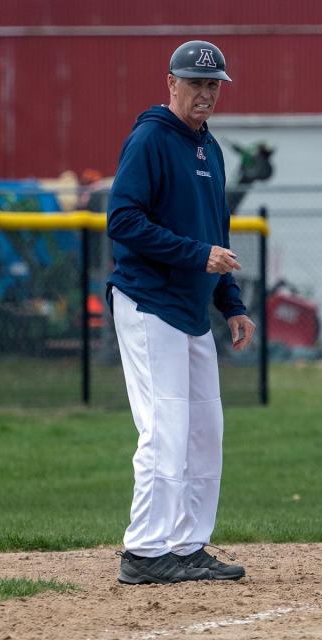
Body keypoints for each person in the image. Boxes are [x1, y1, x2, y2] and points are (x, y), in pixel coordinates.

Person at [106, 40, 256, 585]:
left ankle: (187, 545)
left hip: (192, 305)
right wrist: (198, 256)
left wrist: (231, 303)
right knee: (166, 427)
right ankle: (144, 552)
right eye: (195, 82)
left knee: (204, 430)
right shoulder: (149, 138)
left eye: (213, 83)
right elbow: (122, 220)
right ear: (171, 83)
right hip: (149, 301)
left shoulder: (208, 147)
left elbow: (215, 233)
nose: (205, 92)